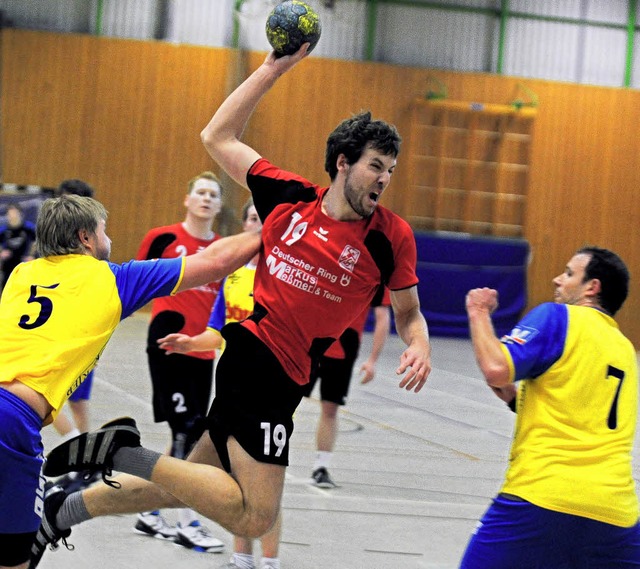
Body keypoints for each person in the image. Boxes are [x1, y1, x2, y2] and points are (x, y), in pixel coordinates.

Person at [30, 43, 432, 569]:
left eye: (391, 170)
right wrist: (271, 69)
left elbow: (408, 312)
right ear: (343, 163)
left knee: (184, 489)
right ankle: (119, 452)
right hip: (258, 362)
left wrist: (420, 344)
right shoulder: (289, 199)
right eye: (376, 166)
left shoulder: (391, 237)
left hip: (290, 379)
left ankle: (63, 511)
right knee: (255, 516)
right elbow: (217, 136)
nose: (384, 178)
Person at [0, 194, 259, 569]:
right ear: (86, 238)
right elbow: (216, 262)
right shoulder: (113, 279)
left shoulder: (21, 275)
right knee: (15, 560)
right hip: (12, 422)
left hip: (13, 414)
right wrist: (280, 228)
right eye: (105, 230)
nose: (112, 239)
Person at [460, 246, 639, 569]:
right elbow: (585, 410)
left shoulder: (557, 317)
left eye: (569, 273)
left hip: (543, 497)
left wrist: (479, 312)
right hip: (616, 514)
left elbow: (496, 367)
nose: (558, 280)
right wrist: (518, 399)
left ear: (592, 287)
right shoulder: (625, 349)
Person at [158, 198, 281, 569]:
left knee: (266, 483)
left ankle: (270, 561)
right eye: (254, 219)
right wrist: (190, 343)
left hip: (271, 390)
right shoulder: (234, 275)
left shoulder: (285, 277)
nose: (259, 227)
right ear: (244, 225)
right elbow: (217, 332)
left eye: (266, 220)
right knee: (234, 479)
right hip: (231, 389)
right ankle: (242, 555)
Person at [132, 171, 225, 553]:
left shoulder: (224, 248)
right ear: (187, 200)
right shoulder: (163, 238)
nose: (205, 198)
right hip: (167, 346)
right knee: (187, 428)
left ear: (220, 206)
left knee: (187, 435)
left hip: (202, 353)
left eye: (213, 194)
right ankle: (188, 520)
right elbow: (132, 283)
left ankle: (149, 511)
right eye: (200, 192)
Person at [305, 286, 391, 489]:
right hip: (308, 341)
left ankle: (321, 467)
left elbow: (382, 317)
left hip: (343, 348)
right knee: (284, 399)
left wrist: (372, 360)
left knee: (330, 408)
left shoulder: (376, 274)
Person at [49, 180, 101, 493]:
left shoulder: (90, 249)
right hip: (58, 331)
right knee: (67, 400)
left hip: (78, 333)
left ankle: (83, 458)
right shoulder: (52, 244)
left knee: (66, 400)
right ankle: (86, 459)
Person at [0, 202, 36, 291]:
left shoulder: (28, 228)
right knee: (7, 288)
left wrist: (31, 255)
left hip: (23, 262)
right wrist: (1, 252)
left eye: (14, 212)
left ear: (20, 213)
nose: (12, 215)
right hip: (8, 264)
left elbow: (36, 241)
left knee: (25, 288)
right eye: (10, 213)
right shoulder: (4, 229)